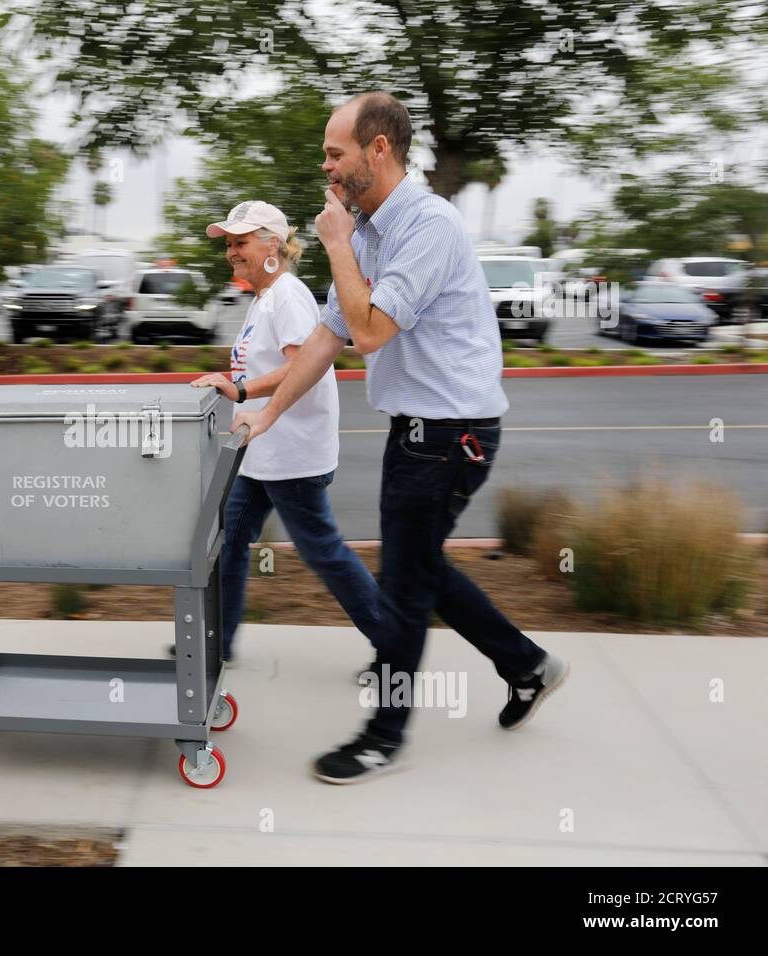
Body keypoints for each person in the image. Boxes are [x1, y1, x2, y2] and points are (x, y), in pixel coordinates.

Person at [232, 92, 569, 784]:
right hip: (415, 433)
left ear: (377, 150)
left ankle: (382, 737)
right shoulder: (367, 233)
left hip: (453, 436)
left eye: (335, 152)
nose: (325, 165)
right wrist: (265, 415)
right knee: (422, 570)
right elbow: (326, 337)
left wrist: (333, 244)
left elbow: (372, 331)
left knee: (406, 588)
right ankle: (526, 664)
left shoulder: (426, 226)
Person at [182, 199, 380, 668]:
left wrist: (240, 387)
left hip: (292, 455)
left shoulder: (287, 295)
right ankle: (218, 643)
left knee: (323, 552)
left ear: (273, 243)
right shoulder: (265, 297)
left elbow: (302, 366)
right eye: (229, 243)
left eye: (241, 241)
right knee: (228, 541)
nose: (232, 251)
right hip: (261, 452)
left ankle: (395, 644)